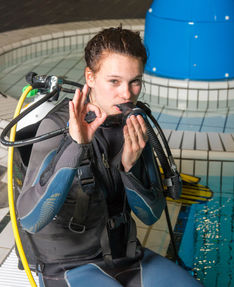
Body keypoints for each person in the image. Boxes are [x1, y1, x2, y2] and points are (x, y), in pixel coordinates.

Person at [16, 27, 202, 287]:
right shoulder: (56, 127)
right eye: (114, 81)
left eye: (135, 81)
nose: (127, 94)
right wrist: (76, 146)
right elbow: (30, 220)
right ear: (90, 77)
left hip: (124, 256)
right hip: (67, 263)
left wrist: (130, 167)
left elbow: (151, 215)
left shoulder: (135, 125)